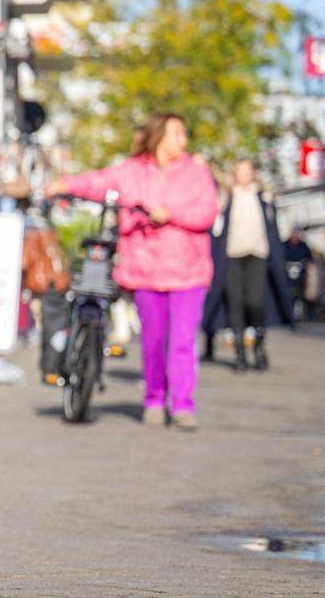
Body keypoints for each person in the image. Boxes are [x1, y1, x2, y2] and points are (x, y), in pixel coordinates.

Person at [49, 113, 218, 431]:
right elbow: (99, 182)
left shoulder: (196, 174)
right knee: (153, 340)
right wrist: (65, 184)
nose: (184, 140)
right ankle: (154, 399)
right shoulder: (133, 171)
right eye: (177, 134)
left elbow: (207, 212)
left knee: (182, 341)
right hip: (145, 269)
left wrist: (172, 214)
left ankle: (182, 404)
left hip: (188, 271)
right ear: (159, 137)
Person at [202, 160, 291, 371]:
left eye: (247, 171)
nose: (244, 175)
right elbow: (216, 229)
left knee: (255, 301)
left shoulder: (263, 197)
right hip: (232, 257)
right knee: (235, 304)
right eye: (240, 171)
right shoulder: (226, 197)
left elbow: (273, 230)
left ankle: (259, 347)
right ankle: (240, 353)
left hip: (257, 255)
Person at [282, 230, 319, 320]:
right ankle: (289, 314)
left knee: (303, 295)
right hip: (288, 274)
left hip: (301, 274)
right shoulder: (284, 245)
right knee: (290, 294)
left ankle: (308, 315)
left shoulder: (303, 246)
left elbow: (310, 259)